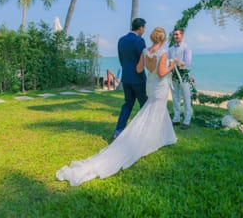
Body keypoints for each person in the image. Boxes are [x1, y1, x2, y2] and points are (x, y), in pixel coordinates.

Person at [56, 27, 178, 186]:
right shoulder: (162, 53)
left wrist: (152, 68)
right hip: (159, 86)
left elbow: (139, 69)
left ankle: (164, 136)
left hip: (150, 85)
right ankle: (157, 138)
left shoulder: (145, 51)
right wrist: (172, 65)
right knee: (156, 111)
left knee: (152, 111)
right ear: (163, 40)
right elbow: (162, 73)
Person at [113, 18, 148, 140]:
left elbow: (121, 59)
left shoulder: (121, 40)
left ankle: (118, 130)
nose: (144, 30)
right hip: (138, 78)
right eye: (144, 28)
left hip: (126, 77)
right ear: (141, 28)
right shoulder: (140, 41)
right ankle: (145, 130)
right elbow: (142, 60)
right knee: (144, 104)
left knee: (128, 104)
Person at [168, 27, 193, 129]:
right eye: (174, 35)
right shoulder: (170, 49)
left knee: (186, 98)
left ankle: (187, 120)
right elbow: (168, 62)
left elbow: (187, 63)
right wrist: (171, 72)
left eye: (177, 34)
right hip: (174, 76)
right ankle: (176, 118)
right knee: (175, 98)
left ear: (182, 35)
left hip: (184, 76)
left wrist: (177, 62)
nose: (175, 36)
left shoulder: (186, 47)